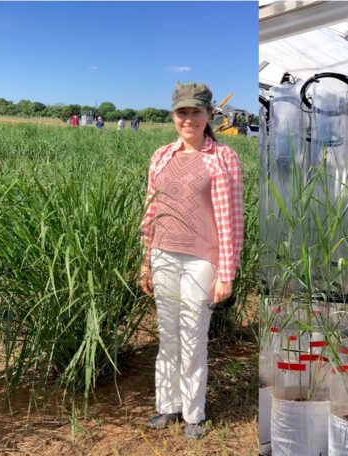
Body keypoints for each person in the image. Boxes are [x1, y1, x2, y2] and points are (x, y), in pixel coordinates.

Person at [139, 82, 244, 441]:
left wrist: (226, 275)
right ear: (173, 116)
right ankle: (167, 406)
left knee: (193, 337)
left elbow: (232, 220)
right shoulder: (161, 156)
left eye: (196, 112)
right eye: (182, 112)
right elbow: (151, 210)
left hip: (202, 261)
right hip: (163, 255)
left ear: (208, 115)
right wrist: (145, 262)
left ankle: (194, 413)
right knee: (167, 336)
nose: (189, 119)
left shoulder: (223, 157)